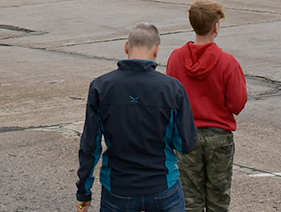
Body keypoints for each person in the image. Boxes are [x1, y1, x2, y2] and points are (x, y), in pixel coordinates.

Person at [76, 23, 198, 212]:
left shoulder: (101, 87)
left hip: (118, 186)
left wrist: (84, 190)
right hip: (162, 183)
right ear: (157, 51)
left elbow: (90, 145)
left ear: (126, 47)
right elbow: (185, 144)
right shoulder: (172, 89)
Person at [165, 0, 248, 212]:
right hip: (218, 134)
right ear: (216, 27)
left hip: (187, 133)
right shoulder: (227, 62)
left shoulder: (176, 58)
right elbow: (237, 104)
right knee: (218, 198)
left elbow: (171, 99)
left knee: (190, 197)